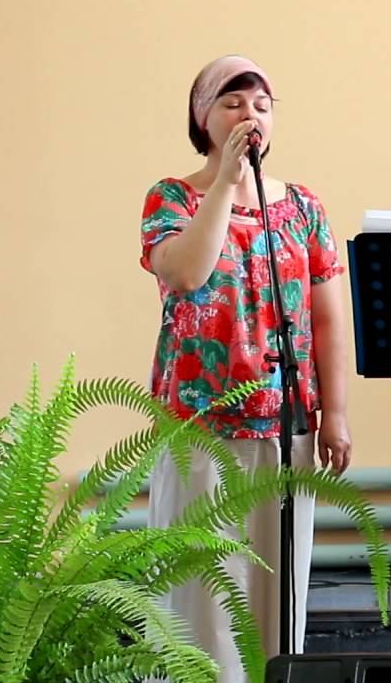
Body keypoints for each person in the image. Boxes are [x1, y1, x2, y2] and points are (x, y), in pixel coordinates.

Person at [139, 54, 352, 682]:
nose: (249, 115)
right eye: (232, 103)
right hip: (200, 428)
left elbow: (327, 317)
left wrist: (336, 414)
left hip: (286, 426)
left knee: (275, 595)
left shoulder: (303, 206)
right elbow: (186, 272)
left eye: (261, 105)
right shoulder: (172, 197)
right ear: (201, 119)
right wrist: (225, 185)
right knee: (200, 593)